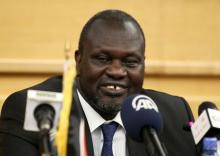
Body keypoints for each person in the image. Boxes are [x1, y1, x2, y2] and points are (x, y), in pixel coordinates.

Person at [0, 9, 197, 156]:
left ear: (143, 64)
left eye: (130, 62)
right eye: (103, 59)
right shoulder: (38, 111)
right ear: (79, 61)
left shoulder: (173, 115)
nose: (117, 72)